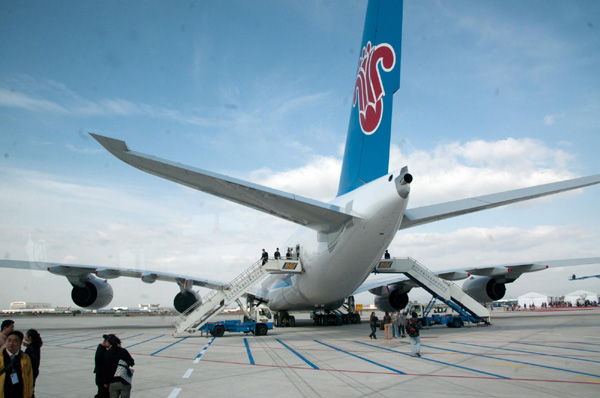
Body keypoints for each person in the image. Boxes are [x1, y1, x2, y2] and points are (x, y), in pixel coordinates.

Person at [0, 330, 34, 398]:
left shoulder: (25, 358)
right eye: (9, 341)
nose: (11, 343)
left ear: (20, 343)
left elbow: (29, 377)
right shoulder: (1, 356)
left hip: (19, 392)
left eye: (15, 341)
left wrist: (29, 394)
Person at [23, 329, 42, 397]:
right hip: (34, 370)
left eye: (26, 335)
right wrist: (28, 346)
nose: (24, 336)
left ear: (30, 337)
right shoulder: (35, 346)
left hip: (31, 371)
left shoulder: (32, 348)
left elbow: (28, 358)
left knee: (29, 389)